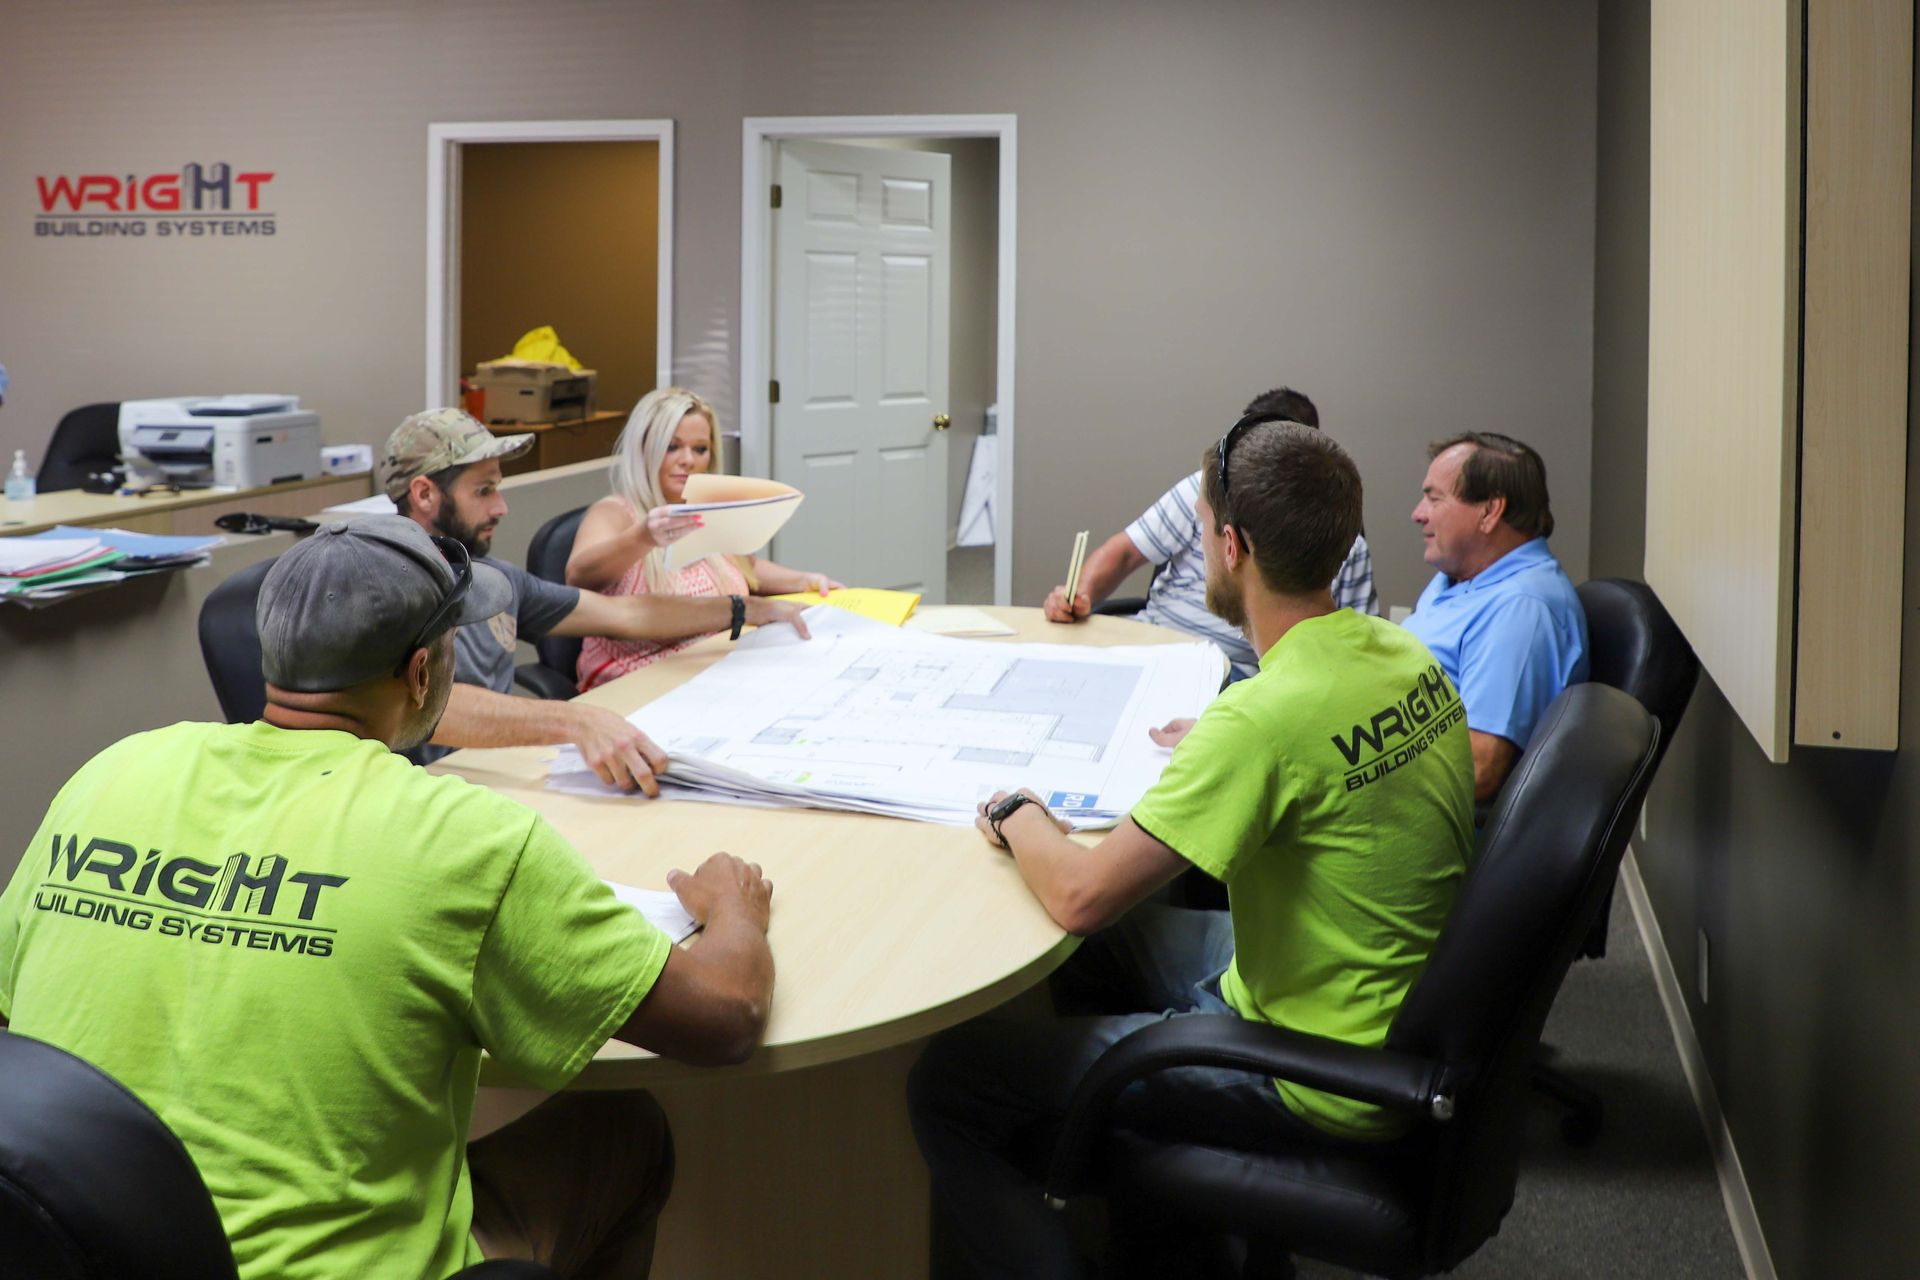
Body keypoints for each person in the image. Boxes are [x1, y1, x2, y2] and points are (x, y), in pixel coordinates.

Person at [0, 515, 777, 1280]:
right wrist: (733, 902)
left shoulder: (114, 771)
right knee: (622, 1129)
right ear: (419, 673)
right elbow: (724, 1020)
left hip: (83, 1248)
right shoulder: (464, 839)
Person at [909, 422, 1474, 1279]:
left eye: (1206, 530)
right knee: (1085, 959)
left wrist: (1016, 808)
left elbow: (1079, 896)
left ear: (1232, 545)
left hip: (1318, 1069)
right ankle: (1163, 1231)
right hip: (1378, 994)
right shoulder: (1400, 650)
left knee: (951, 1082)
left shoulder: (1263, 717)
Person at [381, 407, 813, 786]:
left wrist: (746, 608)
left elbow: (627, 616)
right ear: (424, 494)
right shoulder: (380, 583)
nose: (501, 508)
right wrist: (574, 719)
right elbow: (418, 704)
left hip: (493, 779)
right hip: (413, 797)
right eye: (483, 491)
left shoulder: (491, 575)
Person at [1041, 387, 1377, 681]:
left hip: (1232, 672)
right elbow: (1125, 552)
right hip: (1152, 640)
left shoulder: (1346, 547)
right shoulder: (1207, 490)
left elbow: (1352, 654)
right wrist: (1079, 595)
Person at [566, 387, 845, 690]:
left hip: (717, 669)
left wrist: (805, 580)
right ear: (645, 448)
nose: (688, 460)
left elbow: (746, 568)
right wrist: (643, 537)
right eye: (672, 447)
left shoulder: (705, 508)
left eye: (700, 449)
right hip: (638, 682)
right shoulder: (614, 514)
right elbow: (579, 576)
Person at [1404, 431, 1588, 803]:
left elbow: (1479, 770)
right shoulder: (1461, 576)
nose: (1417, 514)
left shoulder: (1521, 612)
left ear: (1489, 512)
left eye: (1433, 498)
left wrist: (1349, 784)